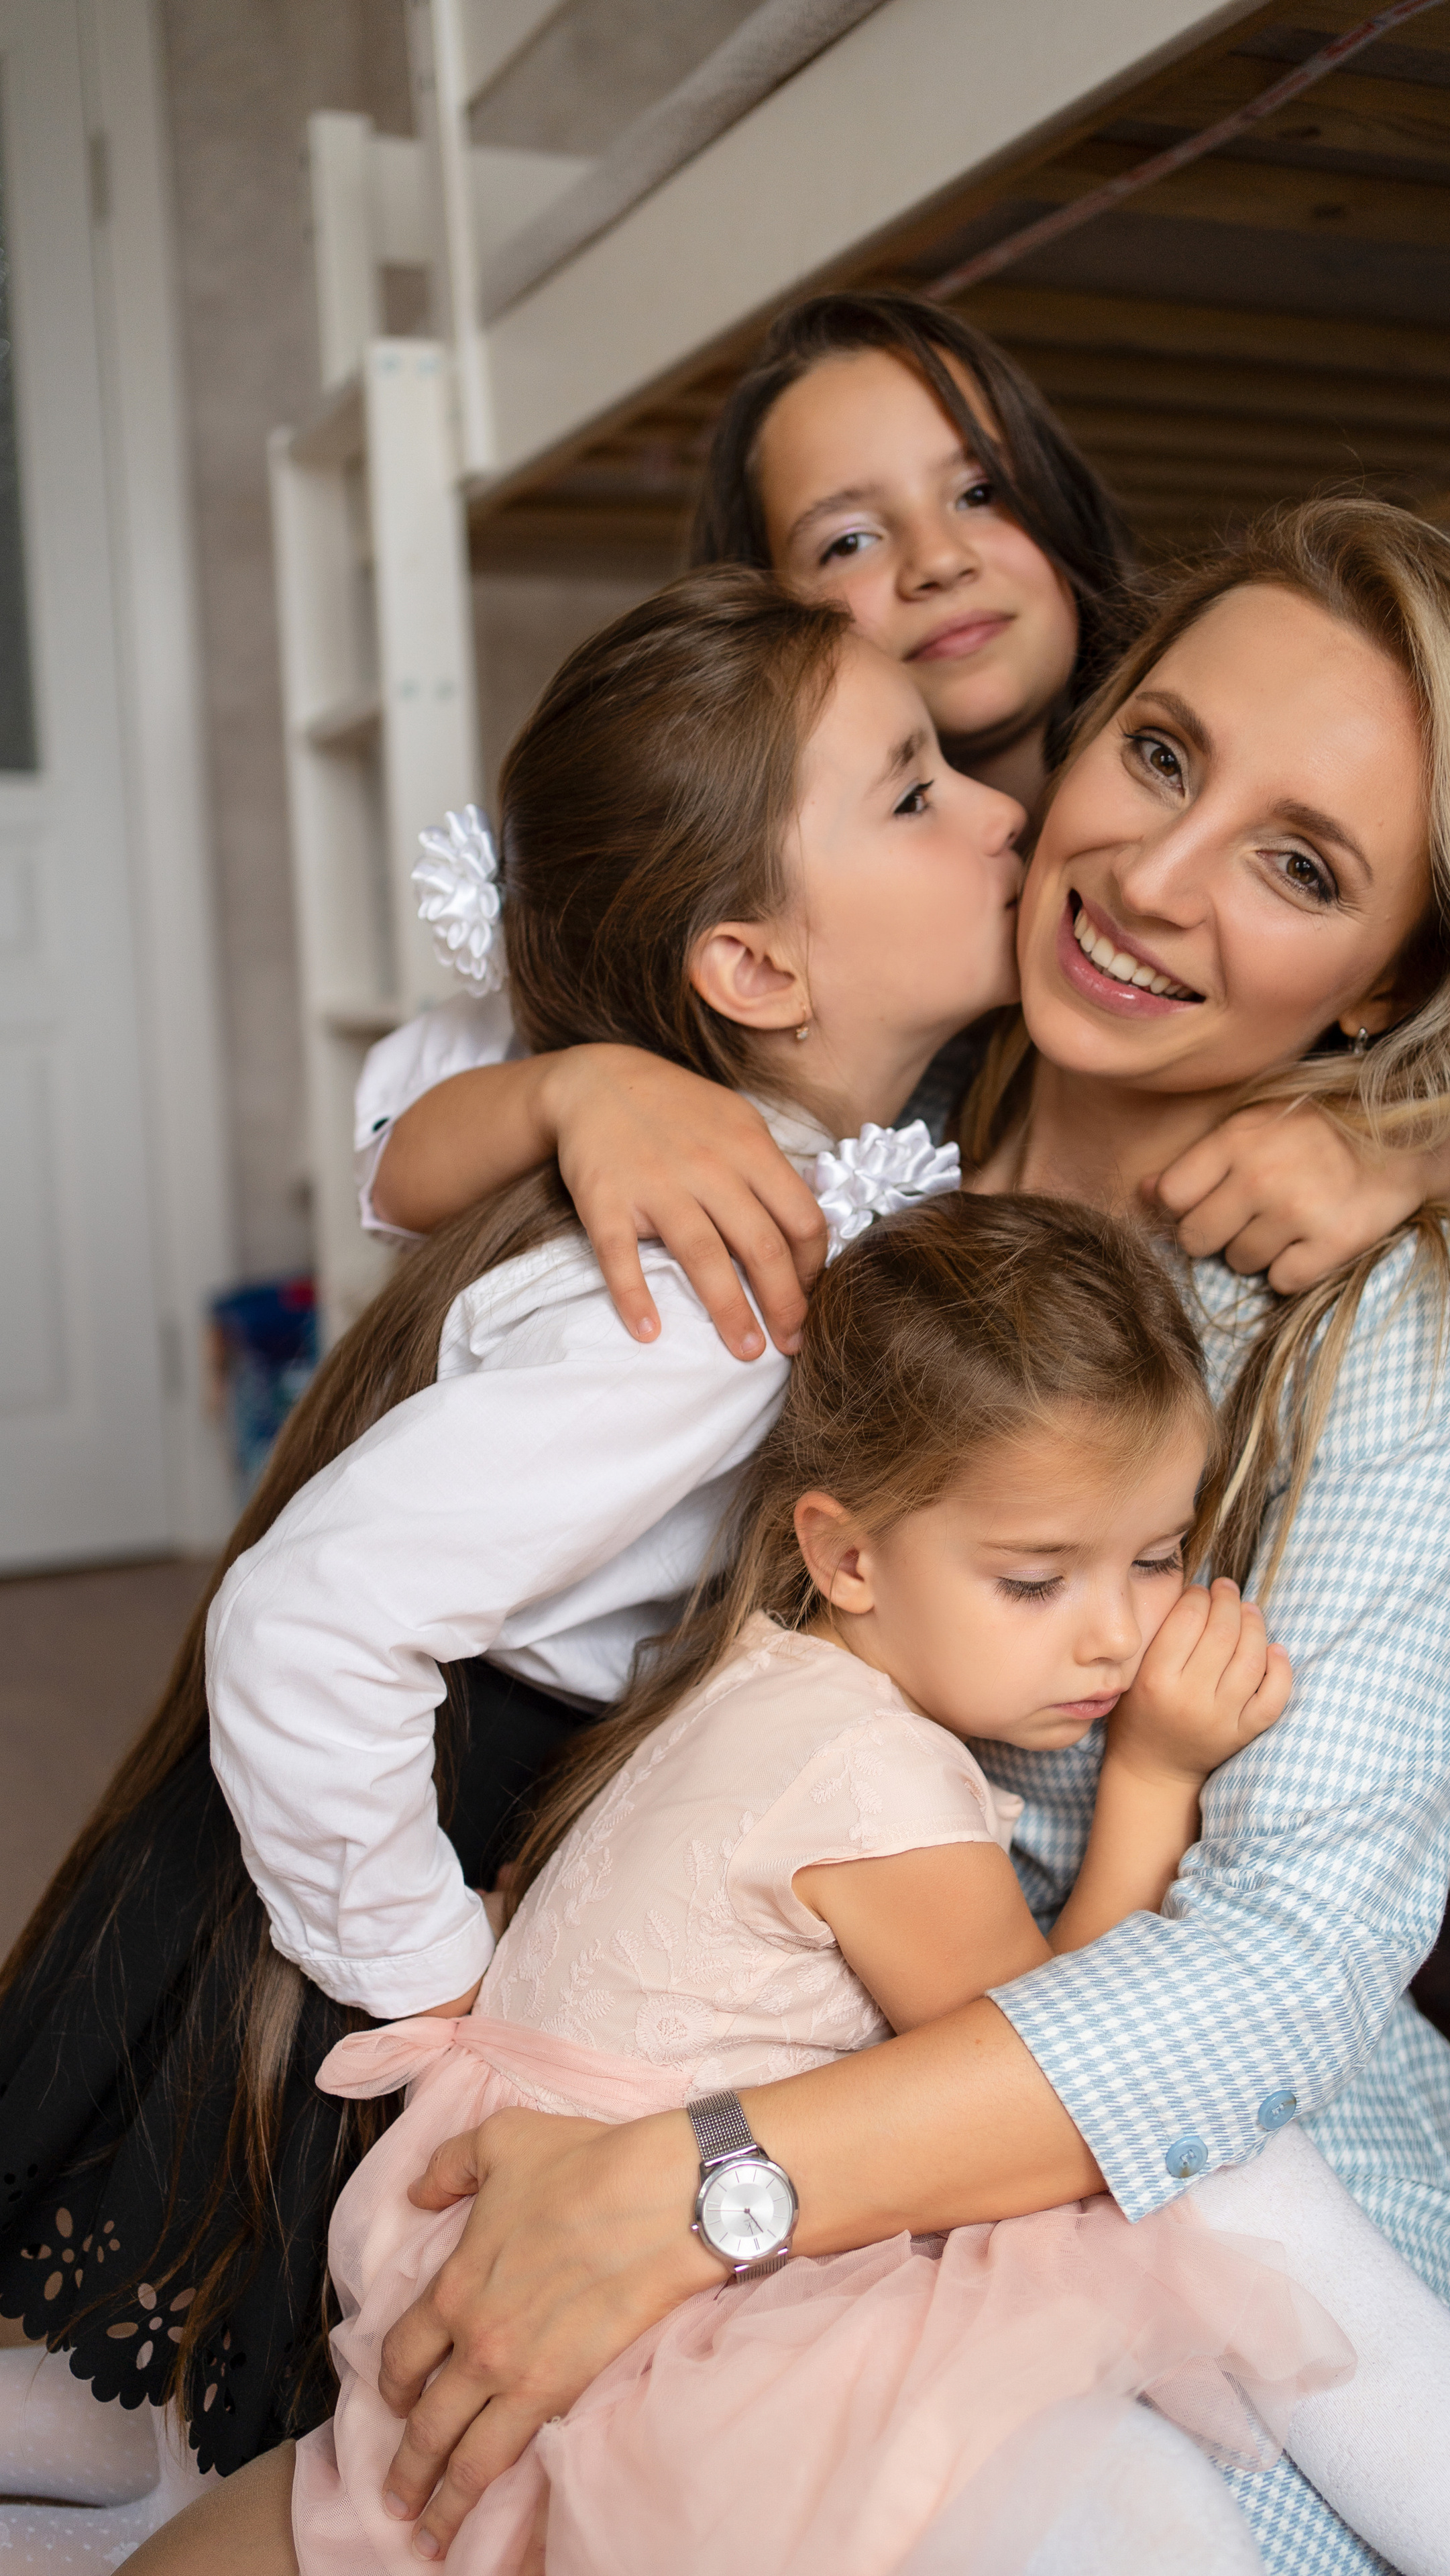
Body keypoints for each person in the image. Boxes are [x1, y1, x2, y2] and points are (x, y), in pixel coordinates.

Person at [310, 500, 1450, 2576]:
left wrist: (706, 2185)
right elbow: (445, 1131)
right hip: (790, 2022)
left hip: (1190, 2158)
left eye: (1302, 867)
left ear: (1395, 971)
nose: (1156, 879)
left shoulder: (1393, 1313)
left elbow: (1280, 1965)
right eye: (1164, 757)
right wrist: (583, 1089)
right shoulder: (874, 1091)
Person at [134, 1198, 1450, 2576]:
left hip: (505, 2220)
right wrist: (1152, 1781)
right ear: (845, 1555)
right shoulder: (873, 1781)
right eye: (1036, 1578)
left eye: (1157, 1558)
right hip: (659, 2320)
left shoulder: (758, 1684)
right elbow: (1063, 2072)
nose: (1114, 1639)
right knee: (1185, 2271)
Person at [0, 569, 1022, 2506]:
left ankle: (118, 2420)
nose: (1000, 807)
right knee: (266, 2273)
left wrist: (569, 1077)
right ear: (751, 970)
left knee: (201, 2304)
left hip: (423, 1765)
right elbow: (305, 1623)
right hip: (406, 1808)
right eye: (916, 790)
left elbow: (407, 1104)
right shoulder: (722, 1304)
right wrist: (431, 1979)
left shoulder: (707, 1147)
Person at [359, 290, 1450, 1356]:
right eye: (848, 537)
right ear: (769, 624)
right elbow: (403, 1132)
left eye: (980, 492)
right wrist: (585, 1094)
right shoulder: (737, 876)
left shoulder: (1236, 775)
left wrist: (1420, 1165)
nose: (933, 560)